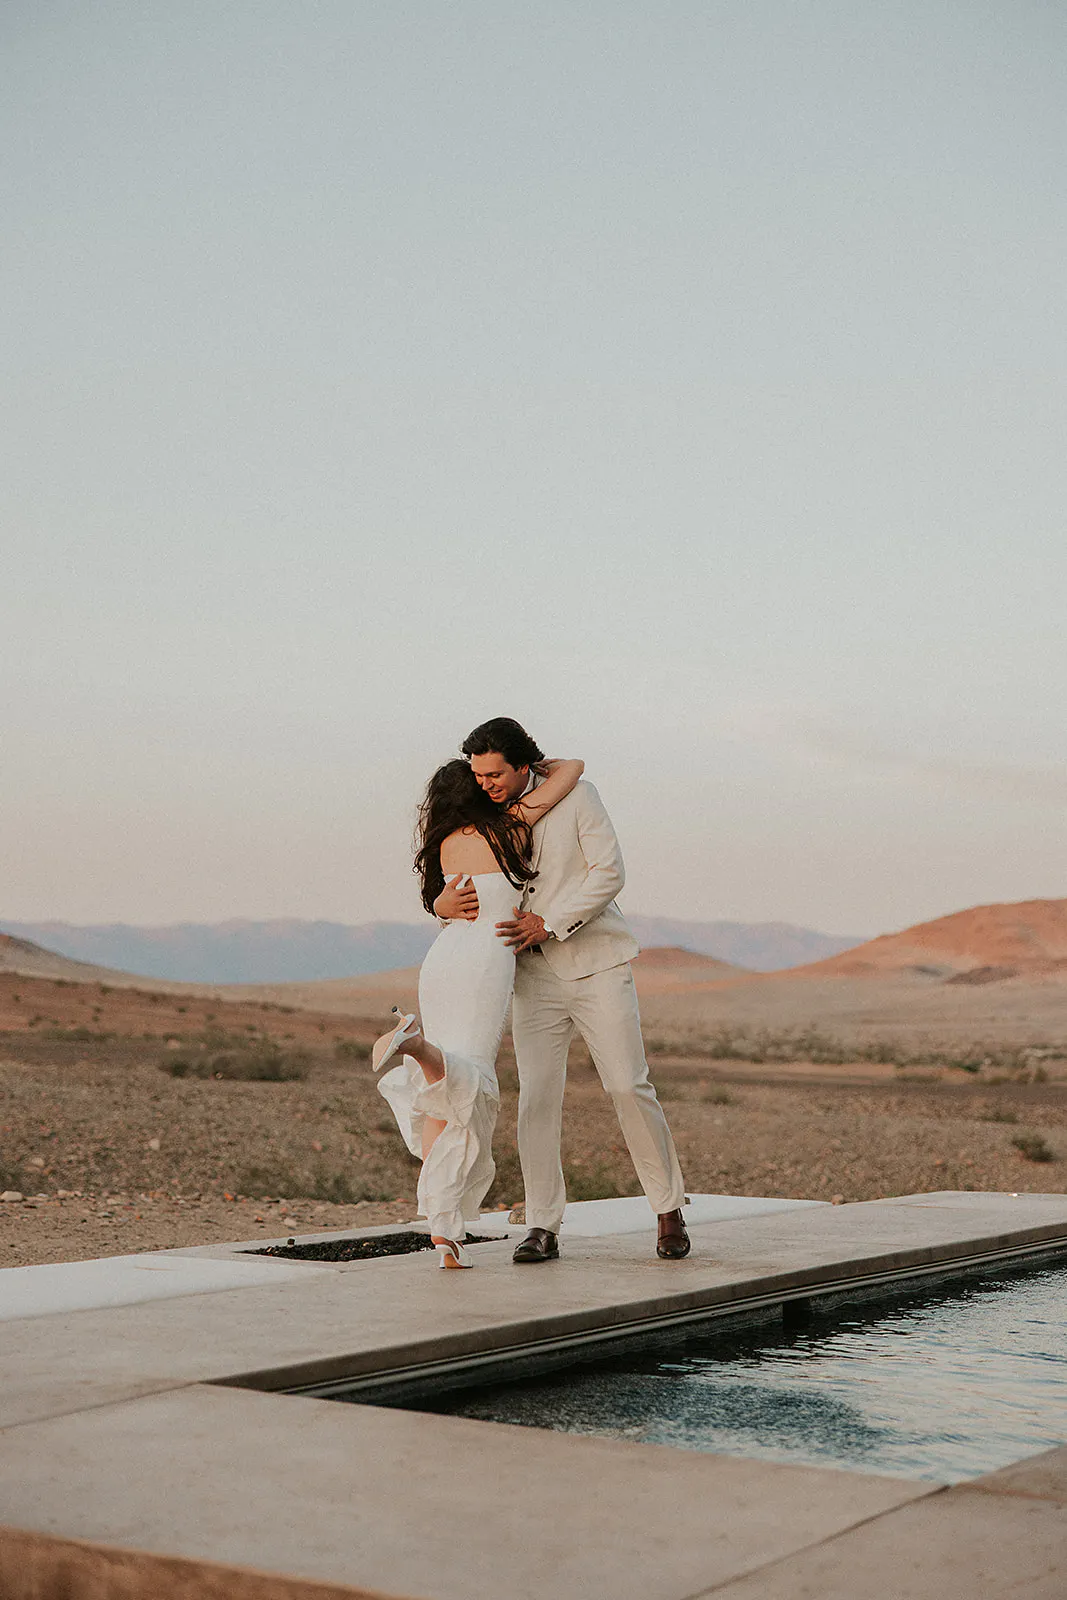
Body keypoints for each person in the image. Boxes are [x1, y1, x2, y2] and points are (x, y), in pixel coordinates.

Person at [435, 717, 689, 1263]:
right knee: (537, 1098)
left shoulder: (579, 797)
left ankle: (667, 1208)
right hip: (529, 976)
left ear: (523, 765)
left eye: (495, 773)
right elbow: (457, 878)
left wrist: (549, 922)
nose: (486, 784)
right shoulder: (488, 814)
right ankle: (543, 1224)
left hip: (596, 962)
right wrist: (439, 905)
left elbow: (609, 872)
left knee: (627, 1085)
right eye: (479, 775)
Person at [372, 754, 584, 1267]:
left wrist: (440, 907)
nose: (491, 785)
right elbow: (572, 769)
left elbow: (440, 906)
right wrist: (531, 760)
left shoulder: (444, 844)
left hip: (443, 961)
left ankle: (443, 1231)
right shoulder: (509, 828)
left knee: (445, 1094)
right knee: (472, 1081)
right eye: (481, 779)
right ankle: (418, 1046)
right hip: (486, 964)